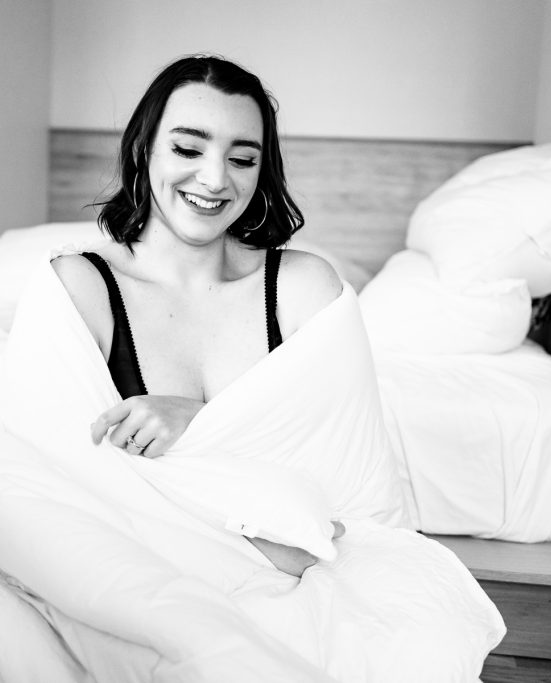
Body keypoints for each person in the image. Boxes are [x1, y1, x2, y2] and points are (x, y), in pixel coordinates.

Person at [51, 55, 344, 577]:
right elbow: (56, 488)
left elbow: (339, 485)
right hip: (128, 578)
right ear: (143, 150)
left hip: (290, 580)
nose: (214, 179)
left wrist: (196, 420)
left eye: (242, 159)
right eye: (188, 149)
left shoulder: (303, 289)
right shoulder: (80, 286)